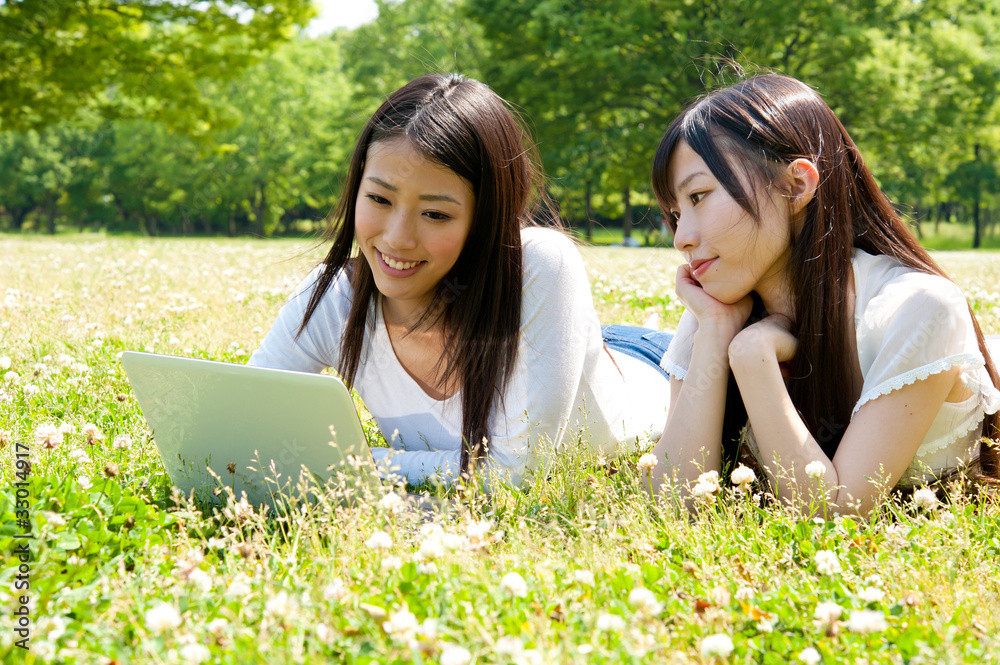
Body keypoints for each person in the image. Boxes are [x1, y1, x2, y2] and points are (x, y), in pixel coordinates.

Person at [249, 73, 671, 488]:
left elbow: (516, 473)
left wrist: (355, 461)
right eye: (379, 198)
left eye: (435, 214)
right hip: (569, 348)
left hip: (656, 368)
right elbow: (243, 424)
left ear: (486, 219)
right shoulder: (333, 297)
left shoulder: (539, 262)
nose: (397, 238)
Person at [647, 73, 1000, 513]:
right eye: (675, 213)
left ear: (796, 186)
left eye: (698, 196)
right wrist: (718, 330)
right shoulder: (718, 308)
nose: (681, 237)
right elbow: (673, 506)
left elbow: (831, 515)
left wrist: (754, 357)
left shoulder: (919, 308)